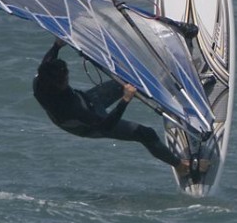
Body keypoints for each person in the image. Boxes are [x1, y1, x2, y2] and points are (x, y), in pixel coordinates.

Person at [32, 38, 207, 177]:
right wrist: (125, 100)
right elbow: (106, 126)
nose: (68, 77)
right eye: (66, 77)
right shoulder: (72, 108)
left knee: (133, 81)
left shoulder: (42, 79)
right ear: (59, 83)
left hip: (89, 99)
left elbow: (47, 62)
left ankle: (173, 85)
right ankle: (180, 166)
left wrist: (56, 45)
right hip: (90, 125)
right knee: (145, 133)